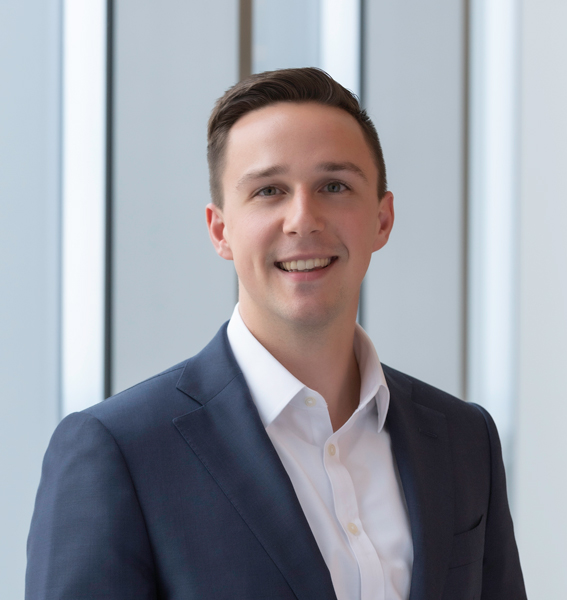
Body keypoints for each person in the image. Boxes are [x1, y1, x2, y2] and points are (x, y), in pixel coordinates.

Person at [26, 68, 527, 600]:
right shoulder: (119, 451)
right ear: (221, 230)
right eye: (269, 191)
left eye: (334, 186)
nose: (302, 219)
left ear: (382, 219)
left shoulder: (463, 439)